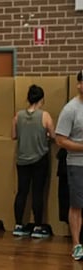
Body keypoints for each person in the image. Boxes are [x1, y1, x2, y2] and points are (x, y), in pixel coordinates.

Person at [11, 84, 55, 238]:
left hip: (22, 159)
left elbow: (13, 135)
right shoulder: (45, 116)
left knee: (22, 192)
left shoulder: (18, 115)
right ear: (42, 99)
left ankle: (18, 225)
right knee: (37, 193)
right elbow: (54, 135)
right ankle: (37, 227)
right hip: (39, 159)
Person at [55, 70, 83, 260]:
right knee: (77, 205)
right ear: (79, 85)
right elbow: (60, 140)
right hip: (76, 165)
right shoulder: (70, 109)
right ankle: (76, 244)